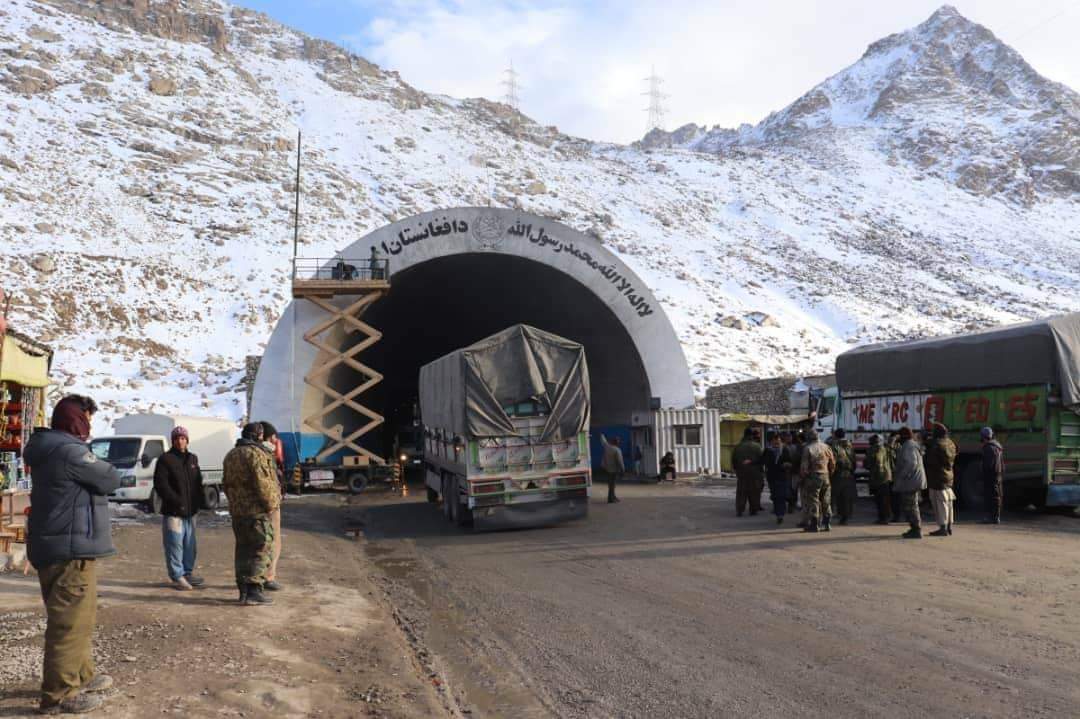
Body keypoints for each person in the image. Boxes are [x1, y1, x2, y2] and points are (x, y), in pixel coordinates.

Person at [25, 395, 120, 714]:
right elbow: (109, 478)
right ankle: (59, 694)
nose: (89, 425)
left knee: (77, 619)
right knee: (68, 624)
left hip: (56, 546)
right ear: (74, 419)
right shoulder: (69, 451)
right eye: (87, 418)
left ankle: (81, 674)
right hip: (68, 549)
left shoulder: (49, 447)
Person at [222, 423, 281, 605]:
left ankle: (244, 591)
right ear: (257, 435)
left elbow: (225, 483)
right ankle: (255, 590)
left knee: (242, 550)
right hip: (256, 512)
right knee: (261, 548)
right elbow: (264, 485)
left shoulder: (231, 455)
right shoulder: (256, 454)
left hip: (238, 512)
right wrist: (272, 504)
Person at [152, 426, 205, 590]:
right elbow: (161, 484)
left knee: (190, 545)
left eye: (183, 438)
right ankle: (177, 576)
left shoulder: (192, 459)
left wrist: (199, 500)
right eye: (177, 438)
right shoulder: (165, 459)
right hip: (174, 511)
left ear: (187, 440)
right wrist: (175, 500)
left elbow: (198, 482)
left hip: (190, 512)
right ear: (173, 441)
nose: (180, 441)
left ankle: (187, 573)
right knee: (174, 544)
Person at [260, 422, 285, 592]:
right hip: (270, 506)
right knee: (273, 542)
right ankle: (268, 577)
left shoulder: (255, 453)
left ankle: (259, 577)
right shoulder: (265, 455)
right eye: (274, 437)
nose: (276, 441)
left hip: (261, 505)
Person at [892, 426, 927, 539]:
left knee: (911, 505)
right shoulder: (912, 445)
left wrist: (902, 476)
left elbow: (911, 464)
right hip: (914, 479)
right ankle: (914, 527)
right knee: (912, 504)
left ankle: (916, 529)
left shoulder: (908, 446)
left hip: (911, 481)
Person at [924, 422, 958, 537]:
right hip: (948, 476)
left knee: (939, 503)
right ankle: (949, 526)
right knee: (948, 502)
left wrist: (926, 441)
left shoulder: (936, 444)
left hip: (937, 477)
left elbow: (930, 460)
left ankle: (942, 527)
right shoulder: (950, 443)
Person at [799, 429, 835, 532]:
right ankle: (827, 524)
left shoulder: (808, 448)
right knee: (826, 499)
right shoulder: (826, 447)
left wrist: (803, 477)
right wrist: (830, 473)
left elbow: (804, 467)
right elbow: (832, 463)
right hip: (826, 475)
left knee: (813, 500)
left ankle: (814, 525)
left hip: (813, 476)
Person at [732, 427, 764, 517]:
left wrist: (736, 470)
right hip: (755, 473)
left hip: (741, 473)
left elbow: (734, 460)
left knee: (741, 492)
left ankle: (740, 510)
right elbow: (761, 459)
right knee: (754, 492)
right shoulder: (757, 446)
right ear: (751, 435)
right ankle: (754, 509)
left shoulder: (738, 446)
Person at [827, 429, 856, 525]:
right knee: (846, 497)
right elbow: (854, 459)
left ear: (835, 435)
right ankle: (845, 517)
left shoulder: (834, 445)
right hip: (849, 474)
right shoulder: (849, 445)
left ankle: (828, 518)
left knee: (833, 496)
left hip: (838, 474)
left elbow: (832, 460)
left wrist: (830, 472)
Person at [763, 432, 791, 524]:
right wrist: (751, 462)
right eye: (774, 442)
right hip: (771, 477)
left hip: (782, 477)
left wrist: (787, 465)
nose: (776, 444)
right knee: (774, 496)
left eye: (778, 442)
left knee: (781, 496)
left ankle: (780, 515)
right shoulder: (768, 450)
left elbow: (790, 461)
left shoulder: (785, 450)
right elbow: (761, 460)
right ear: (771, 442)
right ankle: (777, 511)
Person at [864, 434, 893, 524]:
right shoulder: (884, 448)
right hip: (885, 476)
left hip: (878, 477)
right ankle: (884, 517)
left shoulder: (873, 449)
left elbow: (873, 463)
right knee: (884, 499)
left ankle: (883, 518)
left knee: (880, 499)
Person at [979, 427, 1005, 524]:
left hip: (990, 475)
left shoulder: (988, 448)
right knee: (997, 496)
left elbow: (987, 465)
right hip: (998, 474)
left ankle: (992, 517)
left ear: (984, 437)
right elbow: (1002, 463)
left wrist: (983, 474)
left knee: (990, 496)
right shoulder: (998, 447)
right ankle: (996, 517)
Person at [599, 434, 624, 503]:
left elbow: (603, 440)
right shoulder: (617, 450)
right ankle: (611, 499)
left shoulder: (607, 446)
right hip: (614, 470)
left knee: (611, 484)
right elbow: (620, 461)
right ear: (617, 443)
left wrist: (601, 435)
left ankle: (613, 497)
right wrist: (623, 470)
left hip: (607, 469)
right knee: (612, 485)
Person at [784, 432, 802, 514]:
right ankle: (790, 505)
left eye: (790, 437)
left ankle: (792, 504)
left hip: (795, 471)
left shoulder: (796, 447)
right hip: (787, 471)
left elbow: (799, 458)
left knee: (794, 488)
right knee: (788, 489)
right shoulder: (783, 447)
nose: (789, 439)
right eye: (787, 437)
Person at [887, 431, 903, 522]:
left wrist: (892, 443)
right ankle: (896, 514)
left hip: (896, 475)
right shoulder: (892, 447)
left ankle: (897, 515)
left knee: (895, 497)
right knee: (894, 497)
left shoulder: (898, 447)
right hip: (894, 475)